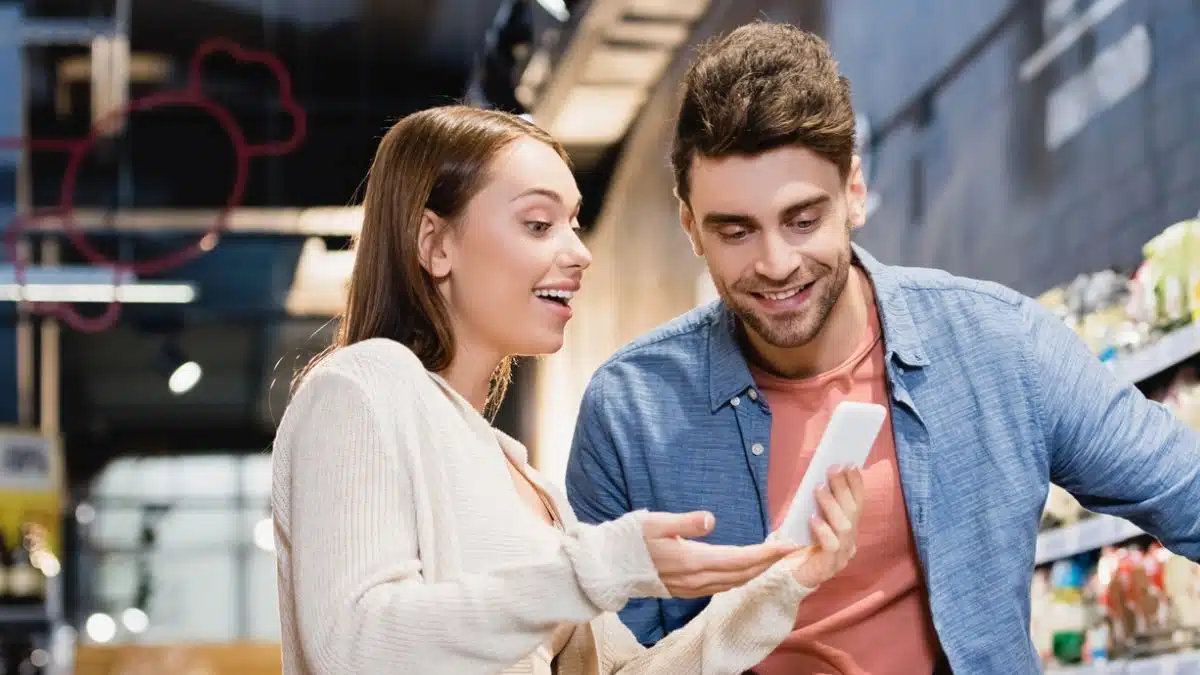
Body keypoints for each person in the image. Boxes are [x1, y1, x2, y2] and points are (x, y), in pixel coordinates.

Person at [564, 21, 1200, 675]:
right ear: (691, 227)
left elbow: (1186, 487)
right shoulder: (632, 412)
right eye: (736, 231)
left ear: (855, 192)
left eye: (803, 219)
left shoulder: (998, 344)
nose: (777, 262)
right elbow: (598, 660)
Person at [270, 104, 867, 675]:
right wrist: (603, 567)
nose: (579, 253)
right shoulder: (362, 387)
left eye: (574, 224)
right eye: (537, 224)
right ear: (436, 243)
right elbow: (352, 647)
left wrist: (783, 583)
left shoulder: (521, 476)